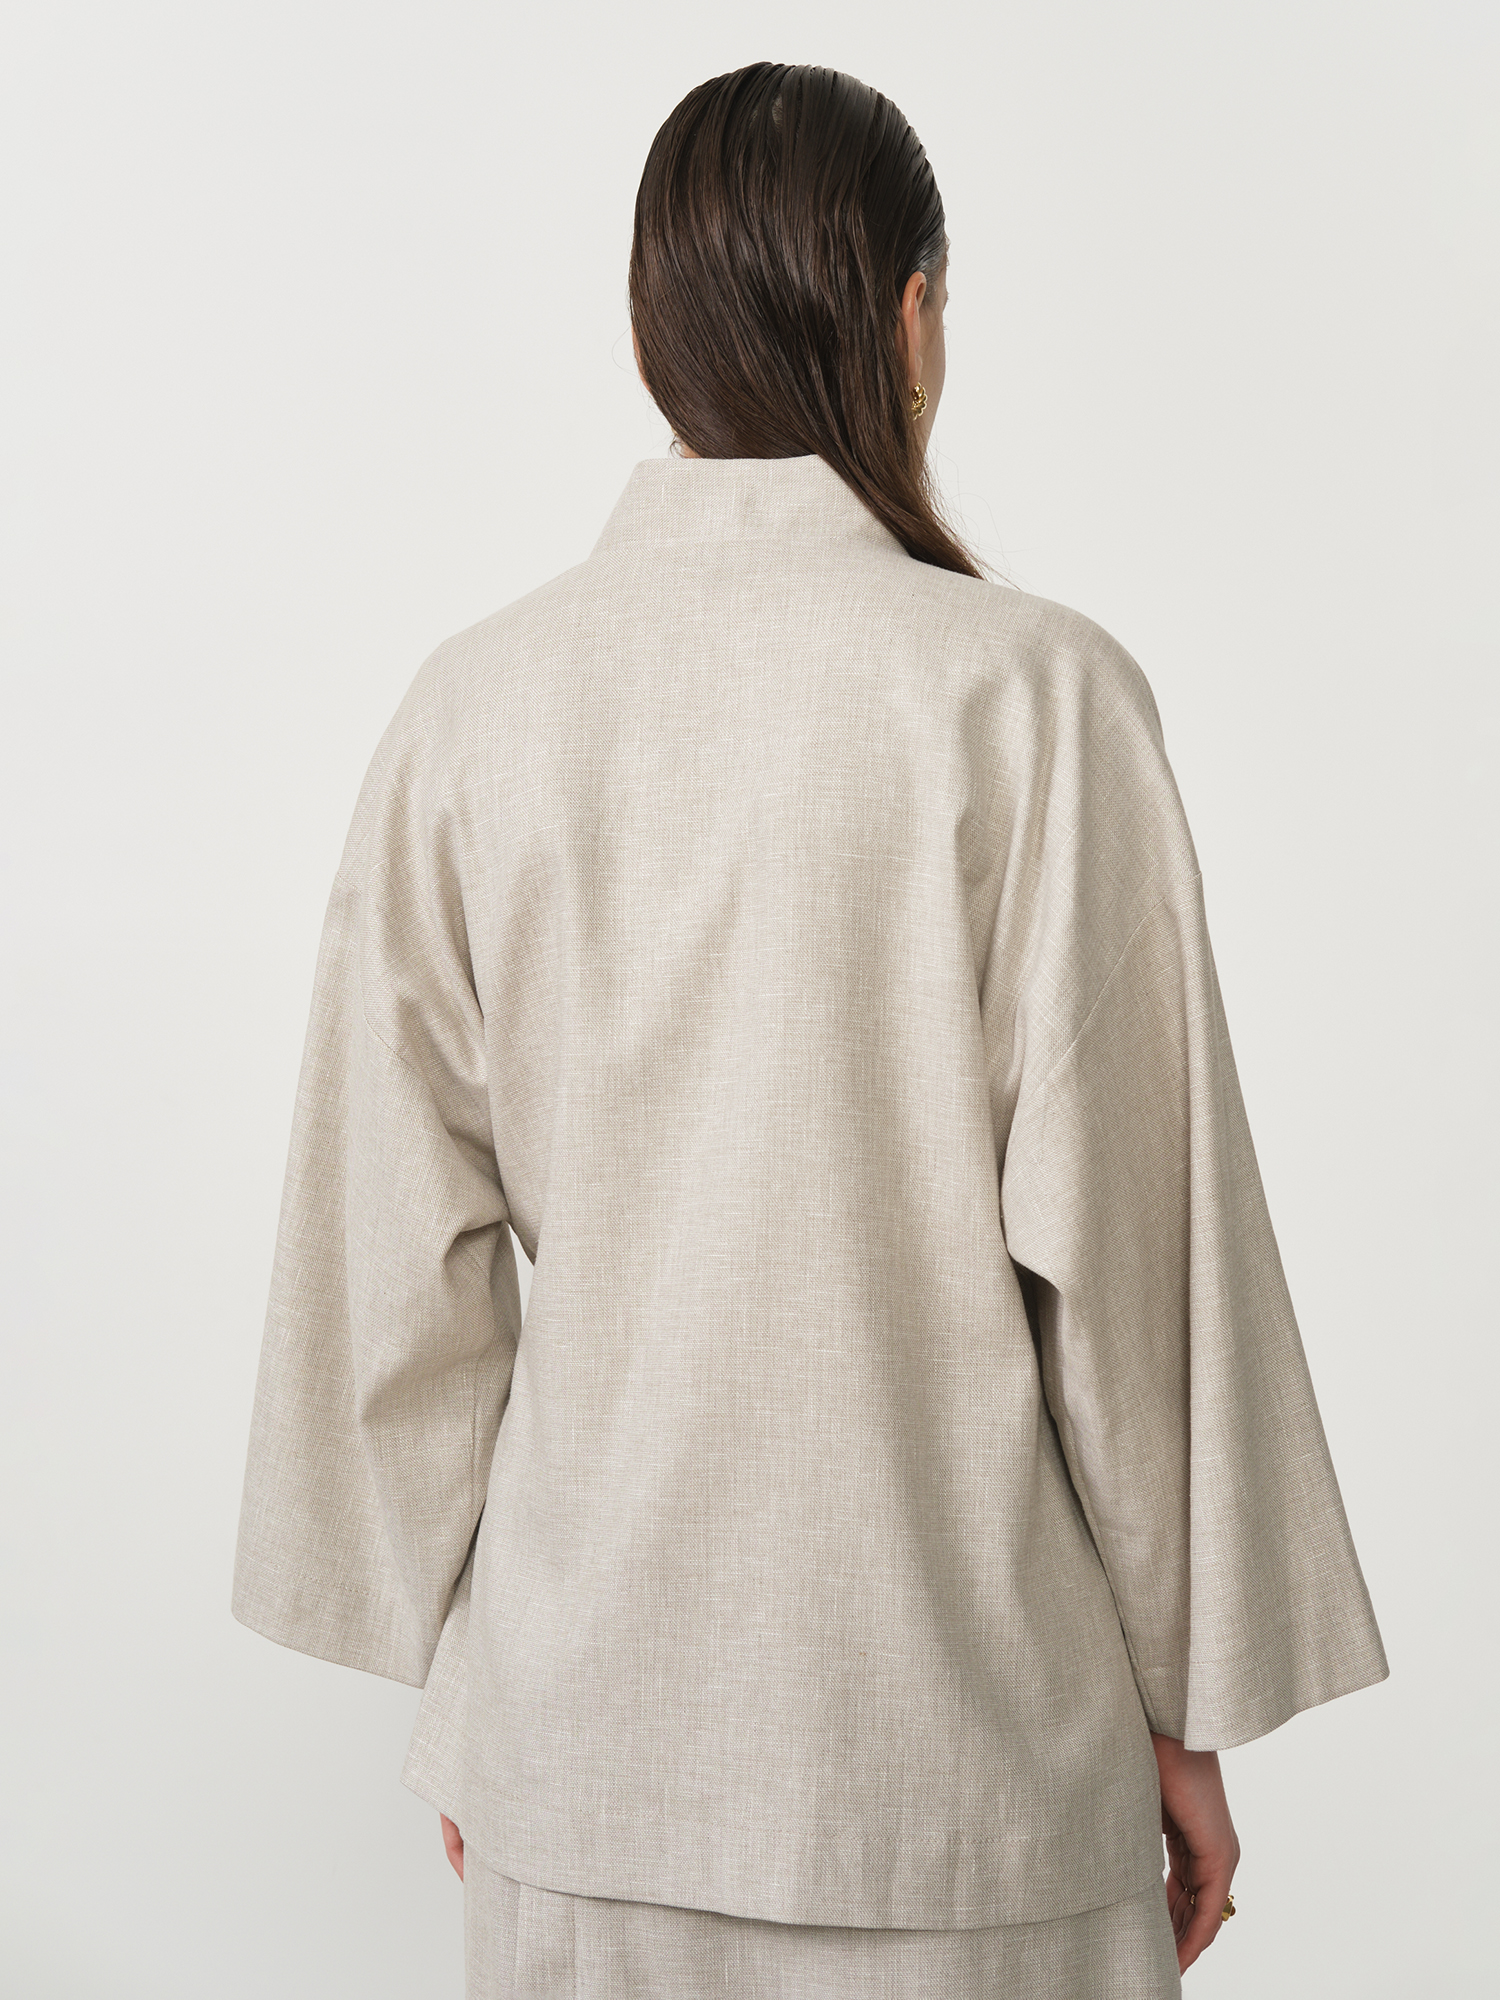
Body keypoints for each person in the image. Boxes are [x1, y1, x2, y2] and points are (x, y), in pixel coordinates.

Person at [232, 61, 1388, 1998]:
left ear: (645, 338)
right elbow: (1140, 1265)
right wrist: (1187, 1710)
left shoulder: (472, 714)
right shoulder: (1037, 703)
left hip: (589, 1770)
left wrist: (483, 1689)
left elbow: (386, 1280)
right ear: (915, 319)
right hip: (972, 1780)